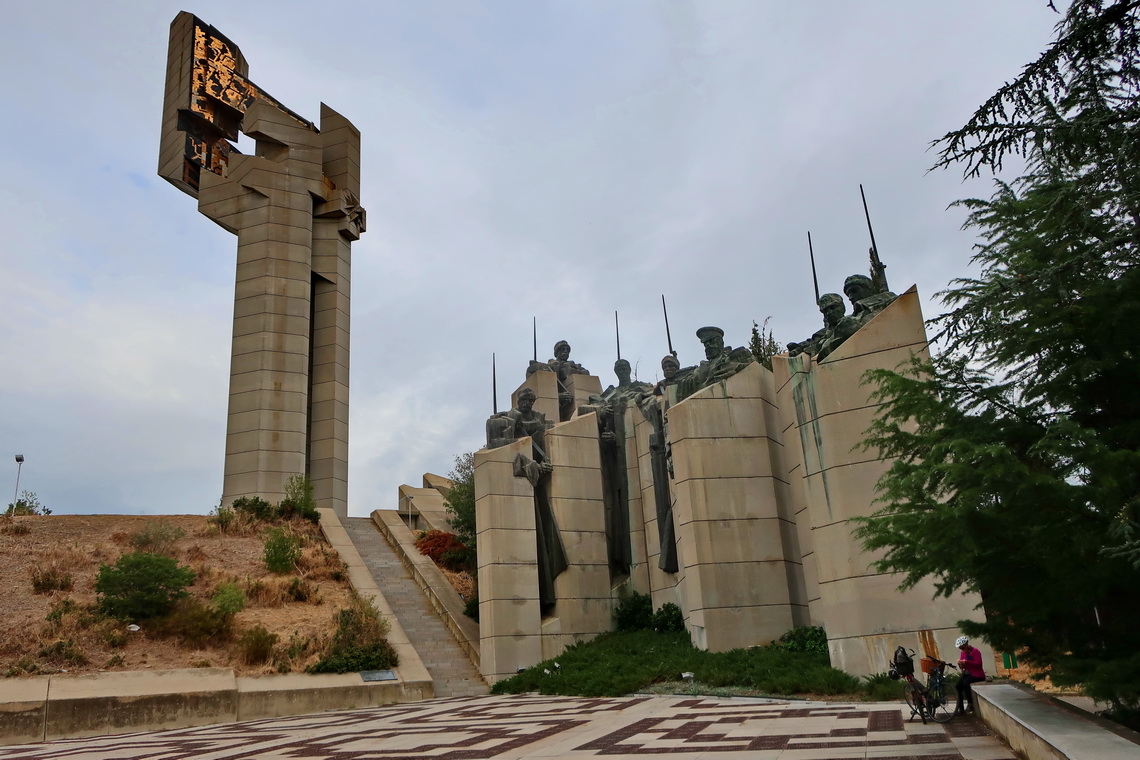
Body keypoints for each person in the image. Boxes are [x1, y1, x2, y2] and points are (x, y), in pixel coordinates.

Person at [955, 635, 986, 714]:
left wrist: (968, 662)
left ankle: (970, 703)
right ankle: (960, 707)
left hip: (977, 674)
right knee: (958, 686)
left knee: (966, 683)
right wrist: (961, 663)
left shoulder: (975, 651)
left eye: (963, 648)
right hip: (968, 674)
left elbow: (979, 664)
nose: (962, 650)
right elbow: (963, 666)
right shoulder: (963, 653)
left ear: (966, 645)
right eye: (961, 648)